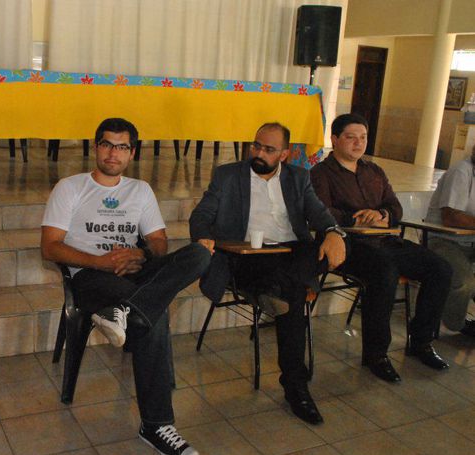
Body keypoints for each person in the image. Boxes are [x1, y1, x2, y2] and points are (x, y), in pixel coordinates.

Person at [41, 118, 211, 455]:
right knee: (154, 315)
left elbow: (159, 243)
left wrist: (140, 255)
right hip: (90, 275)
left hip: (135, 272)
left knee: (199, 254)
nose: (112, 153)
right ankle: (156, 425)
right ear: (96, 147)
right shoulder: (70, 187)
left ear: (132, 153)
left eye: (121, 147)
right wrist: (100, 262)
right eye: (107, 144)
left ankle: (128, 311)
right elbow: (50, 247)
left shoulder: (140, 190)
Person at [189, 122, 346, 425]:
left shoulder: (298, 178)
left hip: (292, 254)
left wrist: (332, 232)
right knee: (294, 293)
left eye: (269, 149)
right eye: (256, 146)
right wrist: (203, 236)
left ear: (284, 154)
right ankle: (296, 387)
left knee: (330, 247)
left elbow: (320, 215)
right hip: (249, 255)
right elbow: (202, 214)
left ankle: (273, 291)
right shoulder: (228, 175)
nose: (259, 153)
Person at [311, 113, 452, 383]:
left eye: (363, 137)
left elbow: (395, 207)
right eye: (351, 137)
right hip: (348, 244)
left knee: (440, 269)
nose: (358, 143)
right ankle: (376, 354)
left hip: (385, 240)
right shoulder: (321, 173)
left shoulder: (373, 171)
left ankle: (421, 341)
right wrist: (354, 218)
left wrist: (382, 215)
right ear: (335, 139)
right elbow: (318, 211)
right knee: (384, 271)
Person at [425, 144, 475, 338]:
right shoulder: (461, 171)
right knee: (464, 282)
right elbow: (451, 217)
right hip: (442, 240)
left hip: (470, 241)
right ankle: (456, 323)